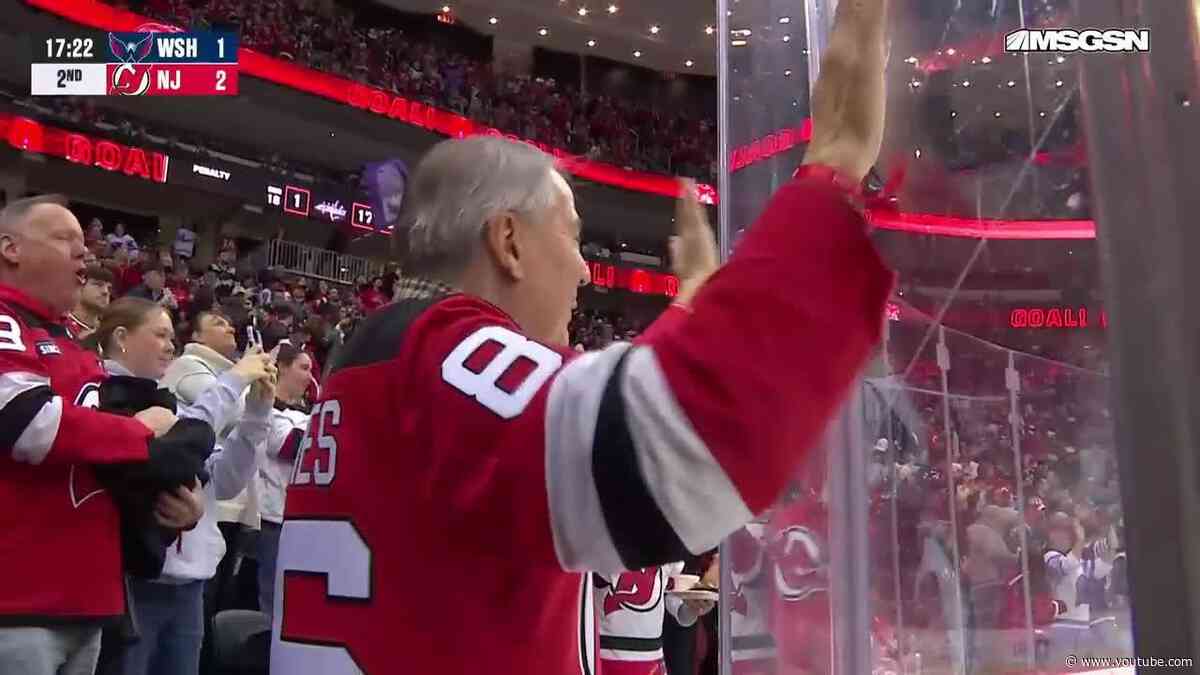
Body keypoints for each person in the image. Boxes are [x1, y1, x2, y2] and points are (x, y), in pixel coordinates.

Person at [271, 0, 890, 668]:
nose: (585, 269)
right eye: (573, 234)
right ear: (508, 241)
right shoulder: (441, 351)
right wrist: (835, 166)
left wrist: (689, 307)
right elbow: (678, 447)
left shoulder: (381, 356)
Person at [0, 195, 206, 675]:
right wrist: (137, 434)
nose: (84, 254)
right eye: (64, 239)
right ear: (10, 247)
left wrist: (171, 507)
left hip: (90, 603)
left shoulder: (73, 346)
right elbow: (23, 420)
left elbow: (103, 462)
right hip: (19, 600)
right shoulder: (6, 320)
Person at [89, 297, 277, 675]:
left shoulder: (167, 402)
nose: (170, 344)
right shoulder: (100, 393)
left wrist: (257, 414)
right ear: (122, 337)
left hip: (189, 587)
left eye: (171, 335)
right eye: (159, 334)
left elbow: (222, 481)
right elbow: (174, 456)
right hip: (133, 586)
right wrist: (235, 379)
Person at [252, 344, 313, 623]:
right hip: (271, 518)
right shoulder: (265, 407)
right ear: (282, 368)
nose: (310, 377)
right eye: (304, 368)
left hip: (298, 518)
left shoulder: (303, 414)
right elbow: (291, 445)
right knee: (273, 605)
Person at [594, 563, 714, 675]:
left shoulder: (668, 548)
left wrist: (695, 606)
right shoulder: (597, 545)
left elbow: (679, 609)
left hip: (651, 659)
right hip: (601, 656)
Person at [67, 265, 114, 340]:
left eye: (109, 288)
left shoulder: (108, 332)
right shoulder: (62, 327)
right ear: (79, 287)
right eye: (98, 285)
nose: (105, 292)